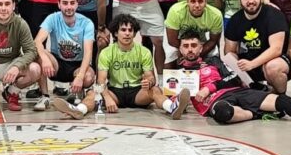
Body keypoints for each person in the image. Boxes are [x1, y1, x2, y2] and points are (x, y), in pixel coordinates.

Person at [178, 30, 291, 127]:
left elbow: (234, 78)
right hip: (216, 103)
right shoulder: (177, 73)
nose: (190, 49)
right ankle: (256, 113)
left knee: (283, 101)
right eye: (186, 46)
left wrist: (209, 87)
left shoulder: (214, 61)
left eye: (194, 45)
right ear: (180, 49)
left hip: (238, 92)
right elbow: (176, 103)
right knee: (224, 113)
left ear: (201, 48)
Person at [51, 14, 189, 120]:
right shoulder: (107, 52)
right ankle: (78, 110)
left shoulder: (144, 51)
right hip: (115, 92)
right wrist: (108, 98)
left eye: (130, 30)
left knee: (155, 90)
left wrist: (149, 82)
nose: (127, 33)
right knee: (93, 93)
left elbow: (150, 76)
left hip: (137, 93)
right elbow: (100, 82)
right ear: (116, 33)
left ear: (135, 34)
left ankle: (172, 108)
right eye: (123, 30)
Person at [224, 0, 291, 93]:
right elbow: (229, 52)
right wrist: (239, 70)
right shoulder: (235, 20)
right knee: (229, 59)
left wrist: (252, 64)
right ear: (240, 0)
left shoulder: (274, 14)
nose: (251, 1)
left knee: (273, 67)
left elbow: (276, 49)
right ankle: (254, 87)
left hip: (274, 61)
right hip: (248, 64)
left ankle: (281, 97)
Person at [33, 0, 96, 103]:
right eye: (65, 3)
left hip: (78, 64)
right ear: (59, 4)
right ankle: (45, 97)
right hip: (57, 63)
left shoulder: (87, 23)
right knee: (38, 53)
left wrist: (80, 77)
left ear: (77, 4)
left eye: (72, 3)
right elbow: (37, 41)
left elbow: (88, 53)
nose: (69, 7)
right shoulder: (52, 18)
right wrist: (45, 60)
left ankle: (77, 91)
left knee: (88, 77)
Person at [163, 0, 223, 66]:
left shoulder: (216, 15)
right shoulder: (175, 11)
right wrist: (186, 54)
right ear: (187, 1)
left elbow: (213, 41)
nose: (197, 5)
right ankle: (167, 77)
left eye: (200, 1)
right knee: (170, 53)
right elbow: (172, 40)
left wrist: (195, 56)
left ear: (206, 1)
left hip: (200, 37)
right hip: (178, 36)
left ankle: (211, 76)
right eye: (193, 1)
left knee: (214, 53)